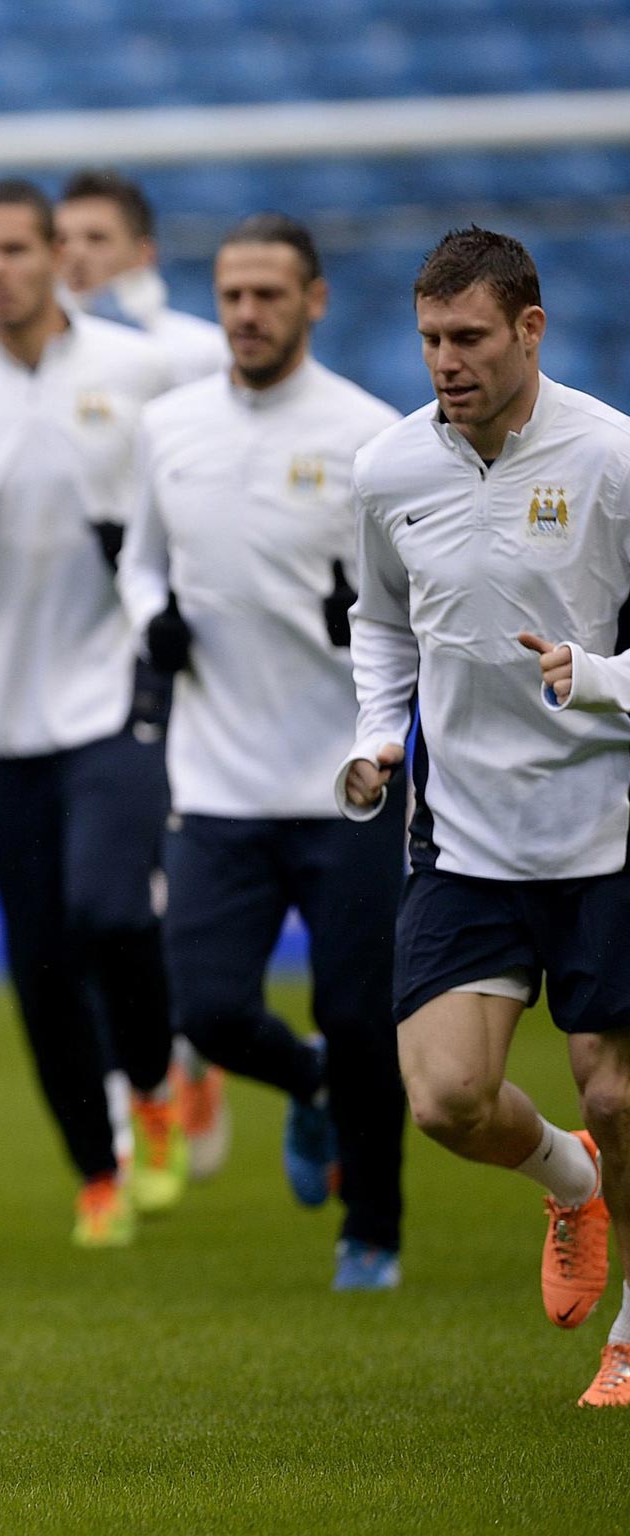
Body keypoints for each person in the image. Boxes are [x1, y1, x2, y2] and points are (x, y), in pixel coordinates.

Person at [340, 225, 630, 1408]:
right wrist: (371, 737)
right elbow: (376, 625)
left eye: (466, 337)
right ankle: (571, 1183)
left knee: (615, 1088)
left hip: (606, 825)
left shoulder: (610, 457)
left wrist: (596, 677)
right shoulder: (385, 471)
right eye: (427, 340)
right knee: (444, 1101)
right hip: (462, 830)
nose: (443, 361)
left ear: (527, 329)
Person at [117, 215, 407, 1287]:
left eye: (267, 296)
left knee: (356, 1012)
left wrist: (361, 620)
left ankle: (369, 1233)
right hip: (217, 779)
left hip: (344, 782)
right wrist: (150, 618)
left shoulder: (372, 439)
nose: (244, 314)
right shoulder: (168, 428)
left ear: (312, 302)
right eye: (231, 295)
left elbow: (411, 605)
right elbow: (140, 564)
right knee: (205, 1010)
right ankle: (313, 1083)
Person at [0, 179, 176, 1248]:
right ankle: (94, 1169)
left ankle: (151, 1081)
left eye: (14, 248)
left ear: (58, 254)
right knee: (40, 955)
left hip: (111, 691)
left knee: (111, 910)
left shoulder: (135, 371)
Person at [57, 169, 235, 1172]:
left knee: (168, 883)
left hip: (179, 656)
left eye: (95, 235)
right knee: (105, 894)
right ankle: (150, 1075)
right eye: (63, 235)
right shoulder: (36, 367)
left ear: (138, 251)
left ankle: (196, 1045)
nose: (74, 252)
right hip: (81, 666)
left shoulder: (185, 359)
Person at [57, 169, 228, 387]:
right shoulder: (30, 356)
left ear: (144, 253)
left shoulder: (203, 354)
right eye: (61, 241)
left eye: (97, 239)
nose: (75, 254)